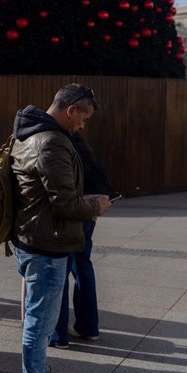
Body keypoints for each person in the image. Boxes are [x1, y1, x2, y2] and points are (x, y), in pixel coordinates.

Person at [11, 84, 111, 373]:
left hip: (36, 239)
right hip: (46, 245)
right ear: (71, 110)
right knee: (40, 324)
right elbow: (64, 202)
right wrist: (95, 203)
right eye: (84, 117)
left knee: (42, 319)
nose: (84, 125)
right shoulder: (51, 142)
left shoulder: (30, 133)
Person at [49, 130, 116, 348]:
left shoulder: (57, 143)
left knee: (61, 268)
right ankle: (88, 327)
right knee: (82, 266)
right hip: (91, 210)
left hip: (74, 212)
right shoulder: (80, 144)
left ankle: (58, 335)